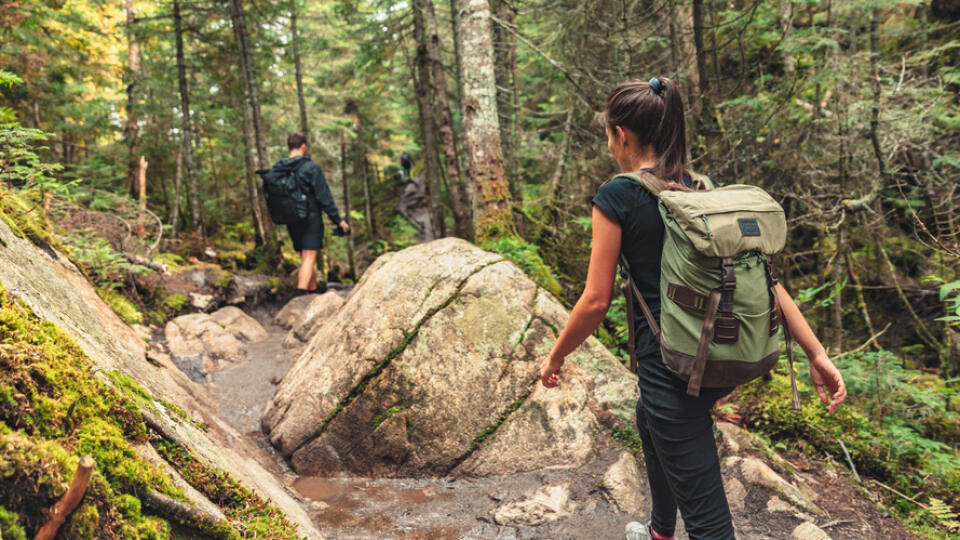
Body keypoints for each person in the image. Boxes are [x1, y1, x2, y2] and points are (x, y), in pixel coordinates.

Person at [538, 78, 847, 540]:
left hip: (673, 371)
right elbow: (766, 279)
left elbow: (596, 300)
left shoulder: (618, 196)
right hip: (713, 358)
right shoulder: (704, 190)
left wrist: (556, 355)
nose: (608, 143)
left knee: (711, 527)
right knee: (647, 418)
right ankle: (660, 530)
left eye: (608, 134)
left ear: (621, 134)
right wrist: (816, 351)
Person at [271, 133, 349, 296]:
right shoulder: (311, 167)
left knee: (306, 258)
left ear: (288, 147)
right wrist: (338, 220)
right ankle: (299, 298)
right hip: (310, 218)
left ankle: (313, 294)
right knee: (308, 258)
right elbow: (324, 197)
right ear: (303, 147)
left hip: (291, 218)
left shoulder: (279, 168)